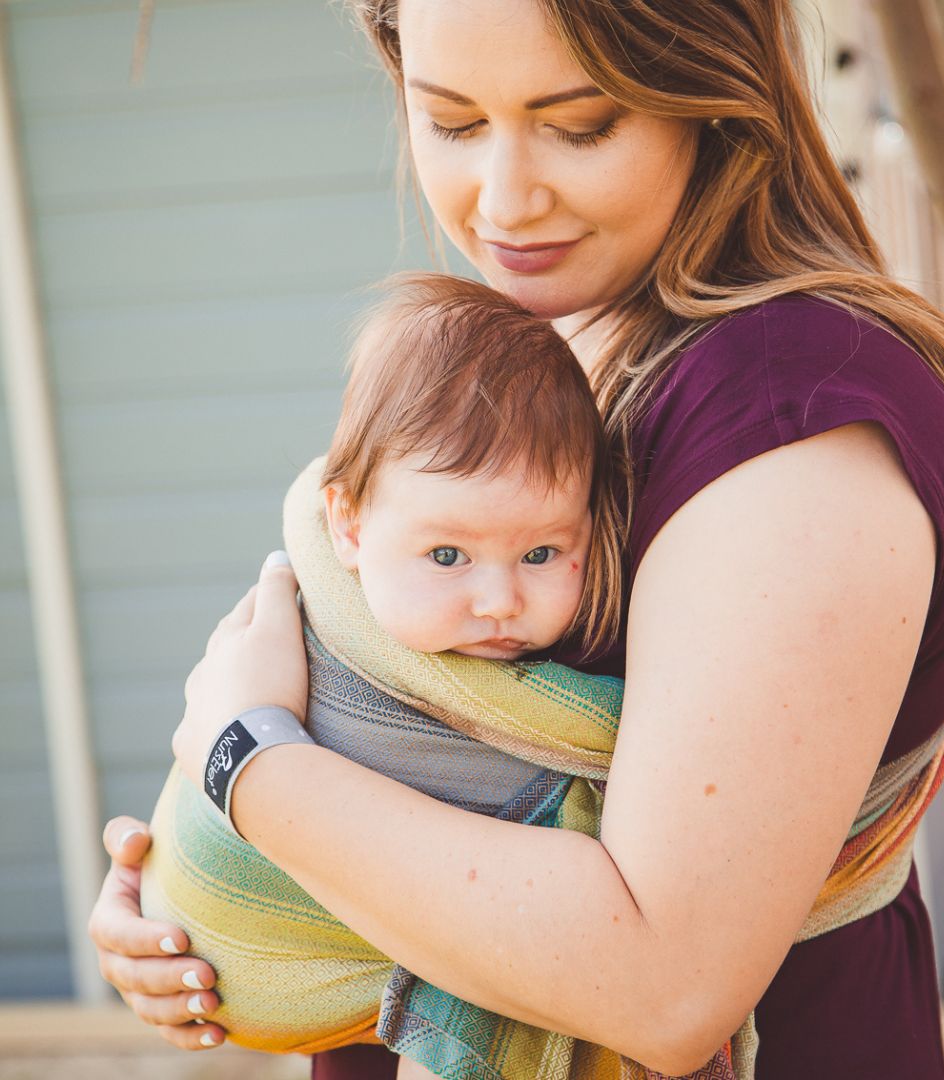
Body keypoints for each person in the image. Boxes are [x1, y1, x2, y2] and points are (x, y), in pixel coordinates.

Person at [88, 0, 944, 1076]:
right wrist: (211, 903)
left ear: (713, 90)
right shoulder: (533, 337)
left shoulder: (789, 426)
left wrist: (247, 770)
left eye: (578, 125)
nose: (506, 199)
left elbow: (665, 980)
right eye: (452, 121)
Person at [139, 271, 629, 1069]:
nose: (500, 600)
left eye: (542, 552)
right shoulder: (305, 637)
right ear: (349, 527)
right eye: (447, 555)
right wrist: (131, 880)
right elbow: (198, 759)